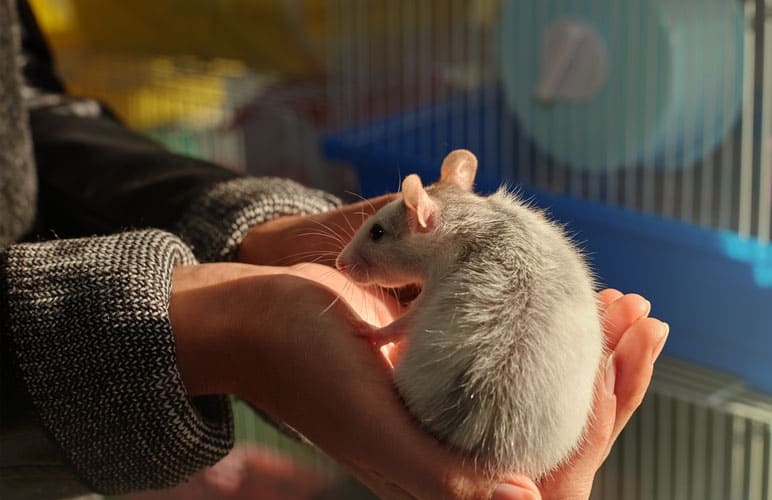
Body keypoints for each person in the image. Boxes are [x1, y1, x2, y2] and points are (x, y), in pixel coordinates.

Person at [0, 1, 669, 499]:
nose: (351, 256)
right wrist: (208, 329)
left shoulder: (453, 244)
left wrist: (260, 239)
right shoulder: (492, 234)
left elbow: (23, 115)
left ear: (426, 215)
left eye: (377, 236)